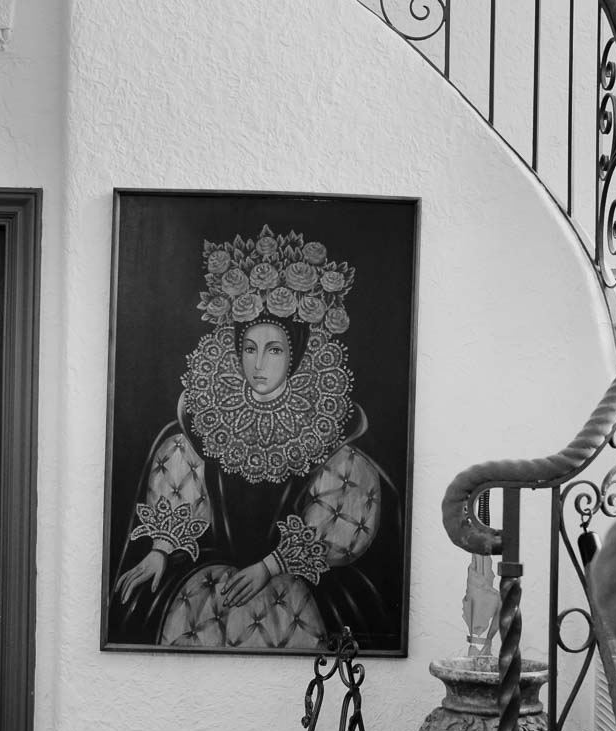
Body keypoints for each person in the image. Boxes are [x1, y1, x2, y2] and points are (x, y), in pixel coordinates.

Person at [107, 225, 399, 650]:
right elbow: (183, 491)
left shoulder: (328, 436)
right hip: (210, 575)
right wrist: (159, 550)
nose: (258, 364)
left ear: (295, 354)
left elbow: (342, 518)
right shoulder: (206, 420)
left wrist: (270, 566)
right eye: (249, 348)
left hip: (293, 579)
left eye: (274, 349)